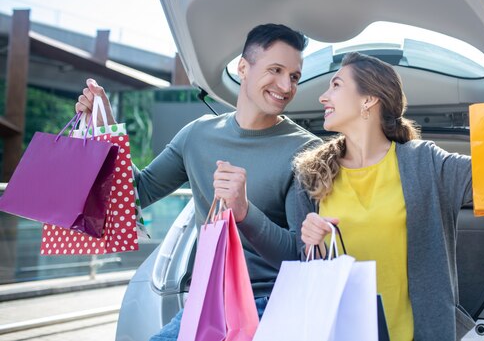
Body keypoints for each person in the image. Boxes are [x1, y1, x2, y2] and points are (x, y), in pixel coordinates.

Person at [292, 42, 484, 341]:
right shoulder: (311, 174)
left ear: (369, 99)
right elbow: (303, 269)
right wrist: (310, 243)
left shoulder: (425, 164)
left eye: (335, 85)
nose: (323, 96)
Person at [75, 23, 321, 340]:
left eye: (294, 76)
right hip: (208, 303)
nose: (286, 85)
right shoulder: (197, 134)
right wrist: (106, 131)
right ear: (243, 67)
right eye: (276, 69)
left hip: (273, 302)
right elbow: (138, 192)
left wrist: (244, 211)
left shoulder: (306, 150)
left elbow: (299, 255)